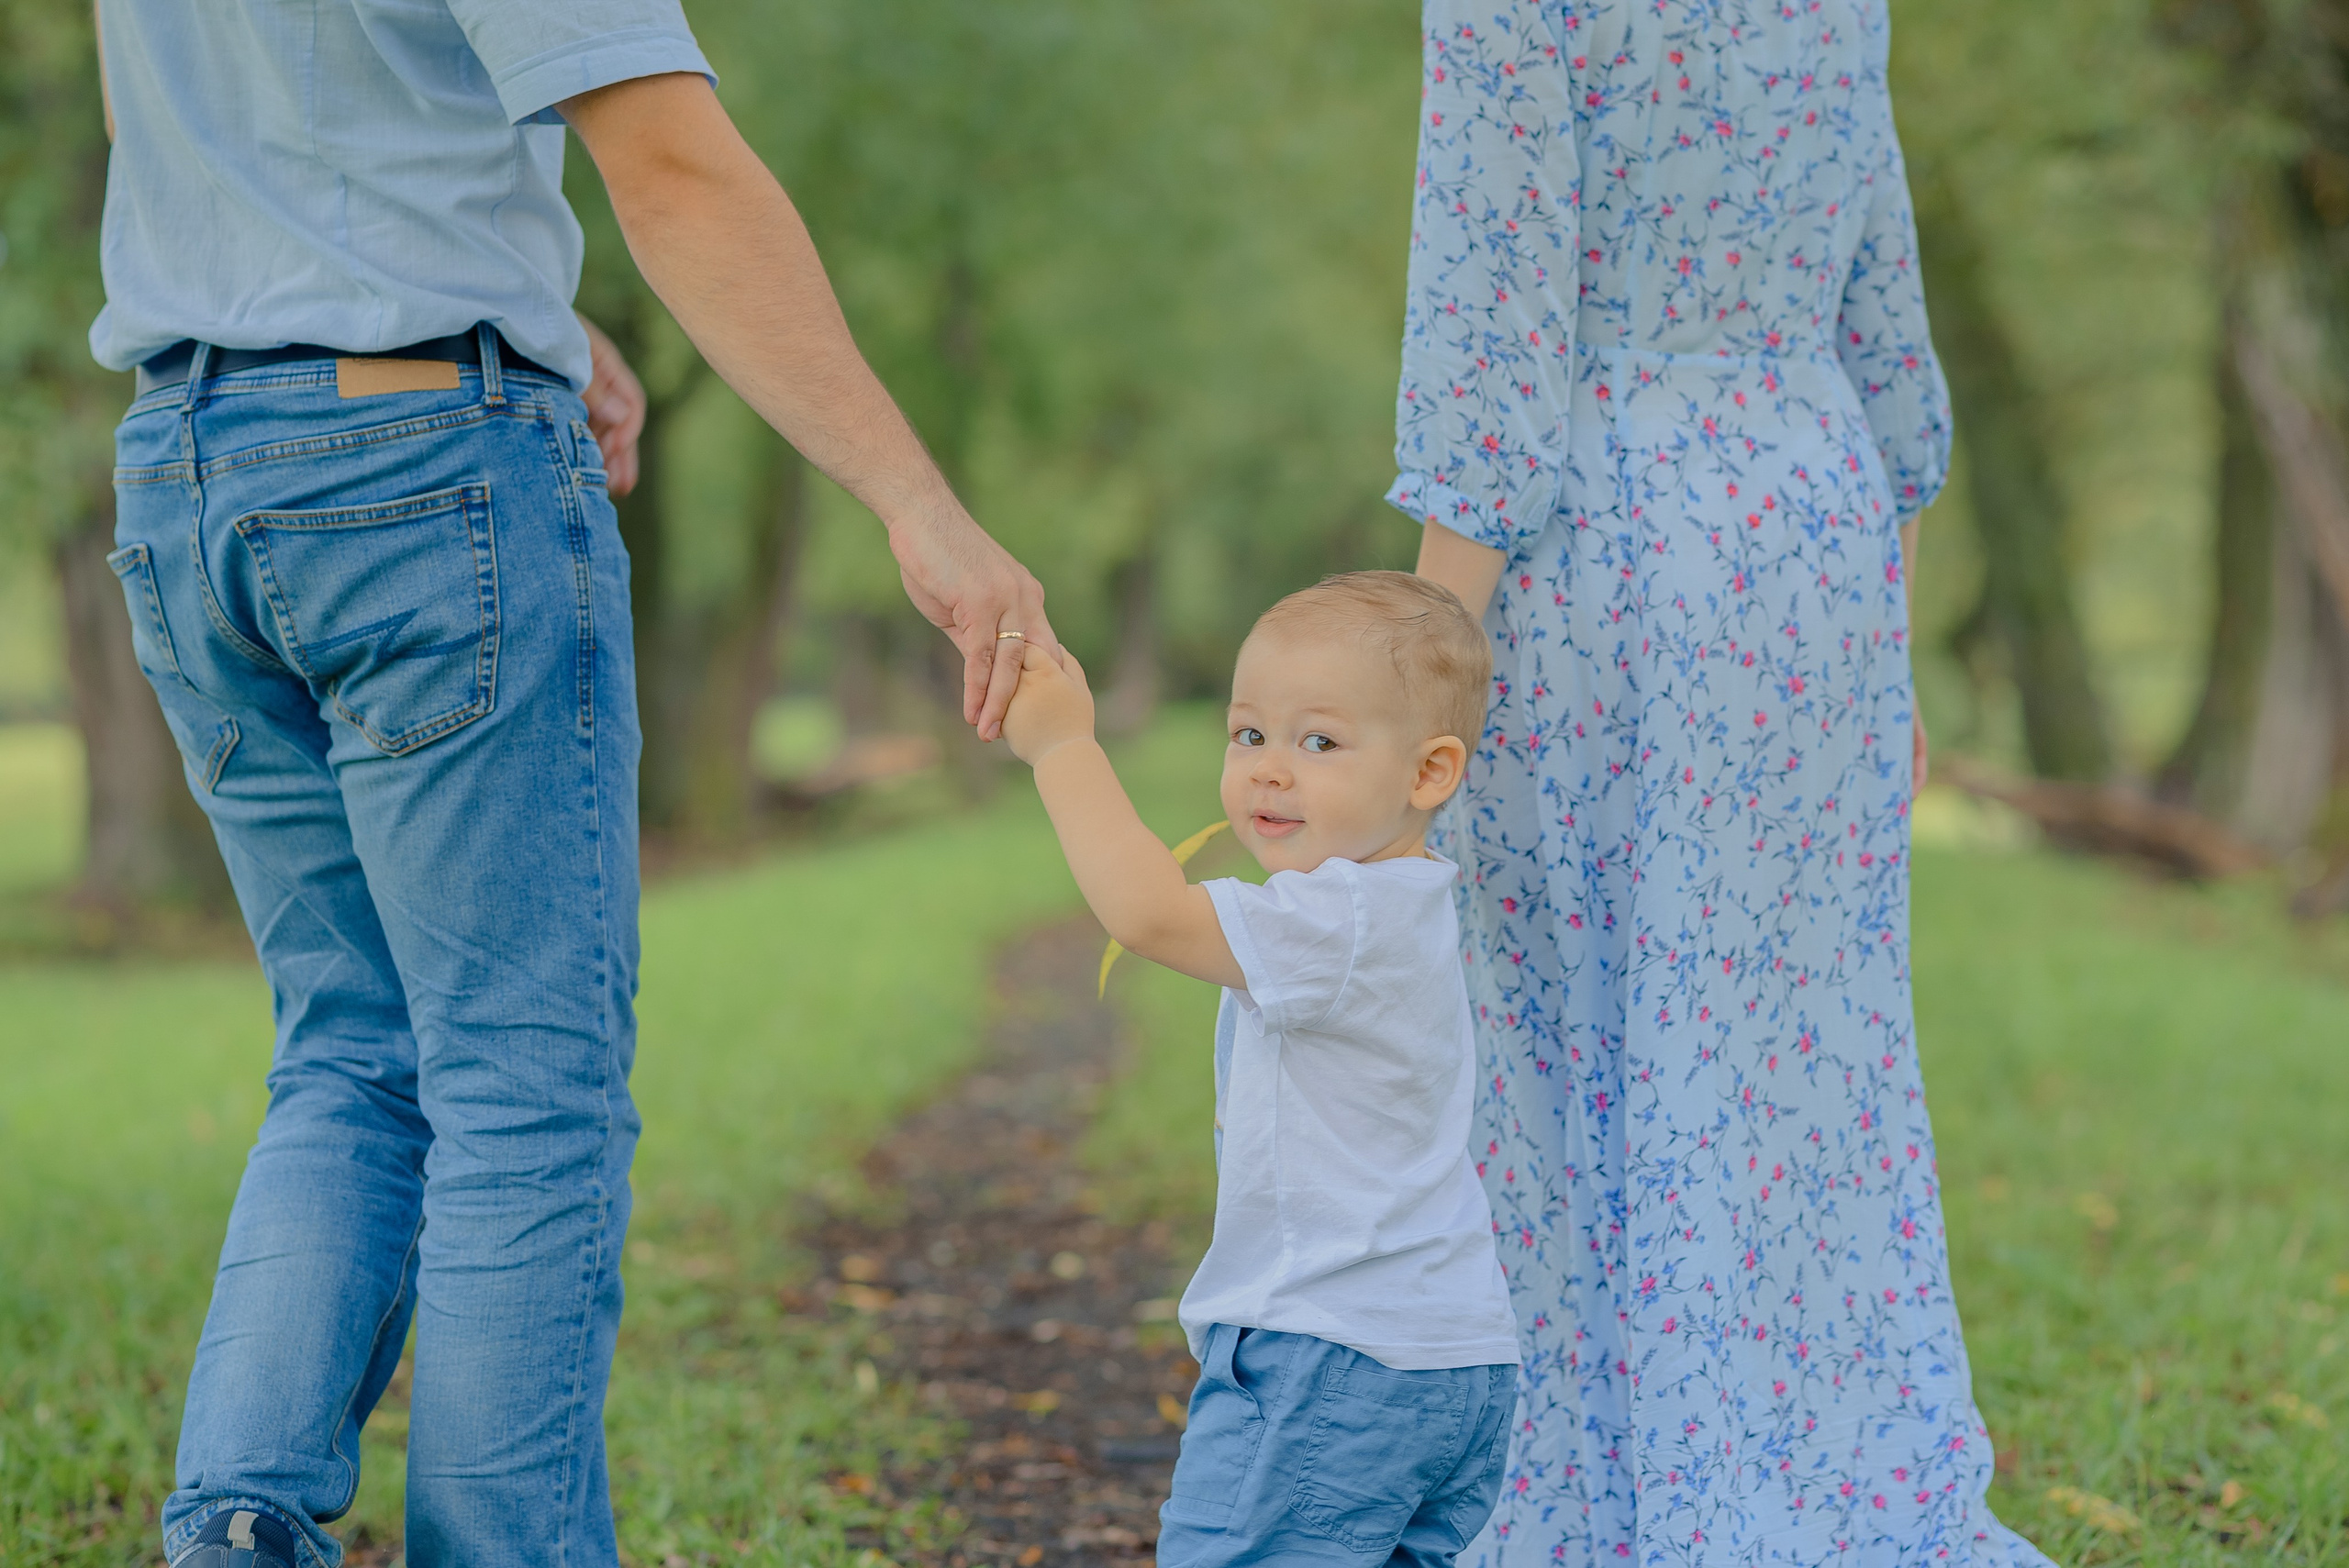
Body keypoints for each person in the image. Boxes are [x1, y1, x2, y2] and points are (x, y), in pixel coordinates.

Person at [89, 4, 1051, 1565]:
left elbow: (181, 131)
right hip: (418, 474)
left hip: (190, 465)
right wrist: (916, 500)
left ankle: (238, 1519)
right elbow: (669, 161)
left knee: (350, 1044)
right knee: (519, 1084)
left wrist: (516, 298)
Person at [1393, 2, 2054, 1562]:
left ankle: (1597, 1499)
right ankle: (1840, 1475)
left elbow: (1492, 333)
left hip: (1607, 538)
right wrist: (1873, 589)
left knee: (1567, 1032)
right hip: (1815, 536)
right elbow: (1888, 332)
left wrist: (1416, 684)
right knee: (1802, 1051)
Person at [1000, 572, 1521, 1568]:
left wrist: (1064, 746)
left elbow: (1149, 911)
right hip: (1452, 1361)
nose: (1271, 770)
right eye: (1249, 735)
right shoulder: (1405, 905)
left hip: (1329, 1359)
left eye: (1318, 741)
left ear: (1429, 772)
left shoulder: (1343, 918)